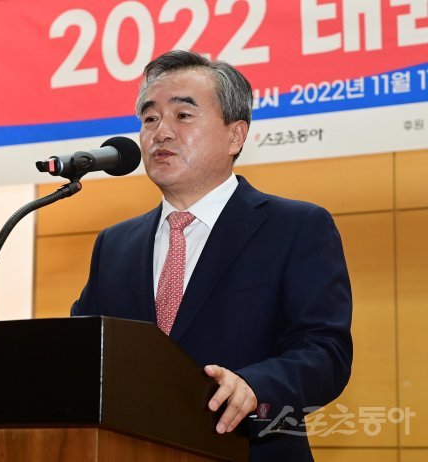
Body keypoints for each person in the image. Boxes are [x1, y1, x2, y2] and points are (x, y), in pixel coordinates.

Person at [71, 50, 352, 461]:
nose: (160, 133)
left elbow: (326, 351)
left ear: (235, 135)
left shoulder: (295, 227)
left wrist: (256, 386)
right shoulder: (114, 244)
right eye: (150, 119)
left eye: (183, 115)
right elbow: (80, 352)